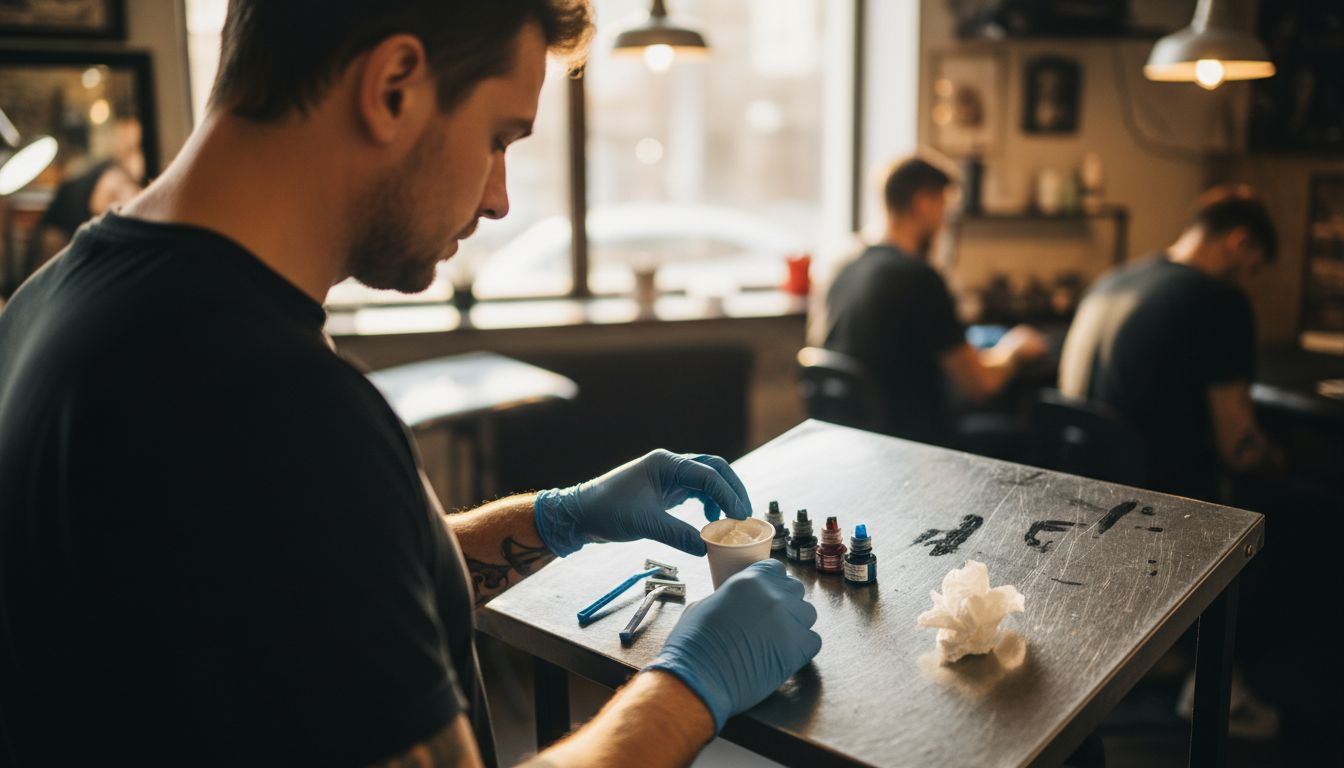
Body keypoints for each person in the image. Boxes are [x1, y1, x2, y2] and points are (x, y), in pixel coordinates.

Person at [0, 3, 821, 766]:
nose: (500, 198)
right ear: (393, 89)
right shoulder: (272, 407)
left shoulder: (54, 302)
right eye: (500, 137)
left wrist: (556, 518)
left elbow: (315, 598)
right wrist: (687, 689)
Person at [1058, 185, 1277, 502]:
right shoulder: (1220, 300)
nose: (1246, 280)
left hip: (1081, 489)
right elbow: (1238, 450)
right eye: (1252, 268)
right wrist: (1279, 457)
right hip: (1159, 503)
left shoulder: (1114, 280)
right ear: (1239, 241)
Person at [821, 156, 1047, 446]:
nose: (944, 224)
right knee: (1032, 431)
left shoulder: (844, 267)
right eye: (943, 207)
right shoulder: (918, 277)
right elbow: (981, 385)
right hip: (915, 448)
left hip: (856, 441)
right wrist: (1014, 349)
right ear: (923, 202)